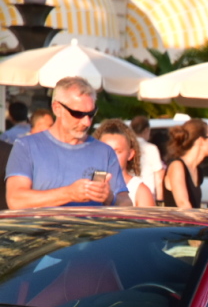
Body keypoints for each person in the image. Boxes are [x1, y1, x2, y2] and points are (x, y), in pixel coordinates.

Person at [5, 76, 130, 210]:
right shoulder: (26, 146)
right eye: (78, 114)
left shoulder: (104, 152)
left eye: (91, 113)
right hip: (43, 231)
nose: (86, 122)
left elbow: (126, 203)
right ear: (57, 108)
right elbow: (15, 200)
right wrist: (69, 194)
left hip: (91, 231)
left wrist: (109, 197)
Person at [95, 120, 156, 207]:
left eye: (118, 151)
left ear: (130, 154)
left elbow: (148, 220)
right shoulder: (88, 183)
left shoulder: (139, 191)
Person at [162, 118, 208, 209]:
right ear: (201, 141)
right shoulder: (177, 166)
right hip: (176, 223)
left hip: (191, 222)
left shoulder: (197, 170)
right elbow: (183, 204)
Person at [130, 115, 165, 197]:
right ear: (146, 130)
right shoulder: (151, 149)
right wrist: (160, 200)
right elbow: (159, 178)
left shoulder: (126, 147)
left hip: (128, 194)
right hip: (147, 194)